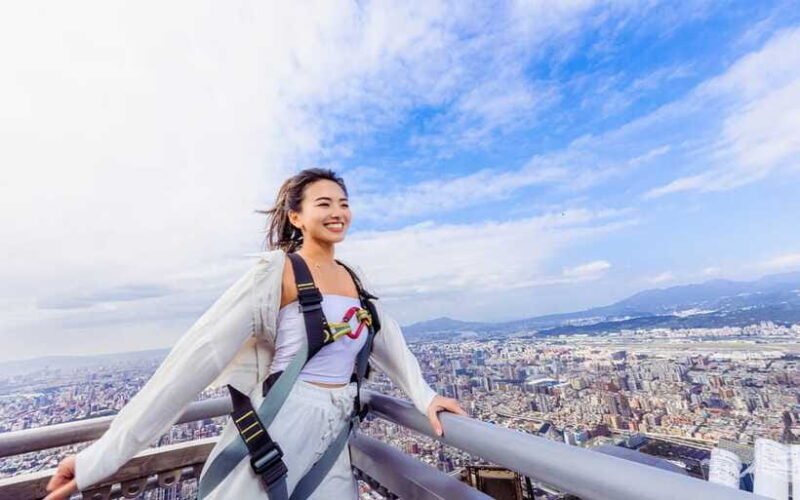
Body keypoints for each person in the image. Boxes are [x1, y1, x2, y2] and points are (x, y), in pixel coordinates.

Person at [44, 168, 467, 499]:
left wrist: (426, 397)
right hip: (278, 428)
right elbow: (193, 362)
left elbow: (387, 339)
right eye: (324, 203)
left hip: (336, 431)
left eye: (344, 203)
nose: (338, 211)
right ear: (296, 216)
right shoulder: (274, 273)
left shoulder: (353, 279)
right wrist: (97, 461)